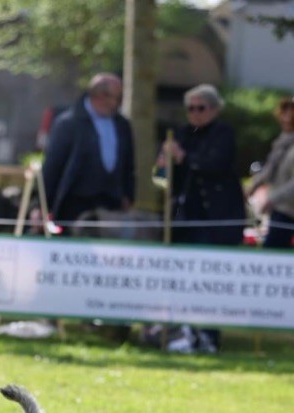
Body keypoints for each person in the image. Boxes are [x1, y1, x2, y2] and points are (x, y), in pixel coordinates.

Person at [157, 83, 244, 354]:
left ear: (214, 109)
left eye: (201, 108)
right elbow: (166, 176)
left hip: (216, 220)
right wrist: (164, 161)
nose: (194, 113)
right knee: (183, 278)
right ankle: (185, 334)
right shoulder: (182, 133)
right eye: (190, 108)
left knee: (210, 281)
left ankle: (209, 336)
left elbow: (214, 164)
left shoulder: (224, 133)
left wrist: (182, 157)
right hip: (187, 219)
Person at [41, 73, 135, 227]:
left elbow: (129, 165)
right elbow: (53, 166)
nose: (117, 103)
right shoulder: (68, 123)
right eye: (115, 98)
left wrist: (128, 196)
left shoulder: (122, 125)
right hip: (74, 204)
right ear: (99, 95)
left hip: (110, 205)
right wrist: (42, 205)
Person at [247, 94, 294, 250]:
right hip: (280, 208)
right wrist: (252, 187)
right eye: (285, 112)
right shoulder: (282, 141)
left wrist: (272, 199)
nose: (287, 117)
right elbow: (269, 168)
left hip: (288, 210)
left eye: (291, 113)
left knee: (272, 250)